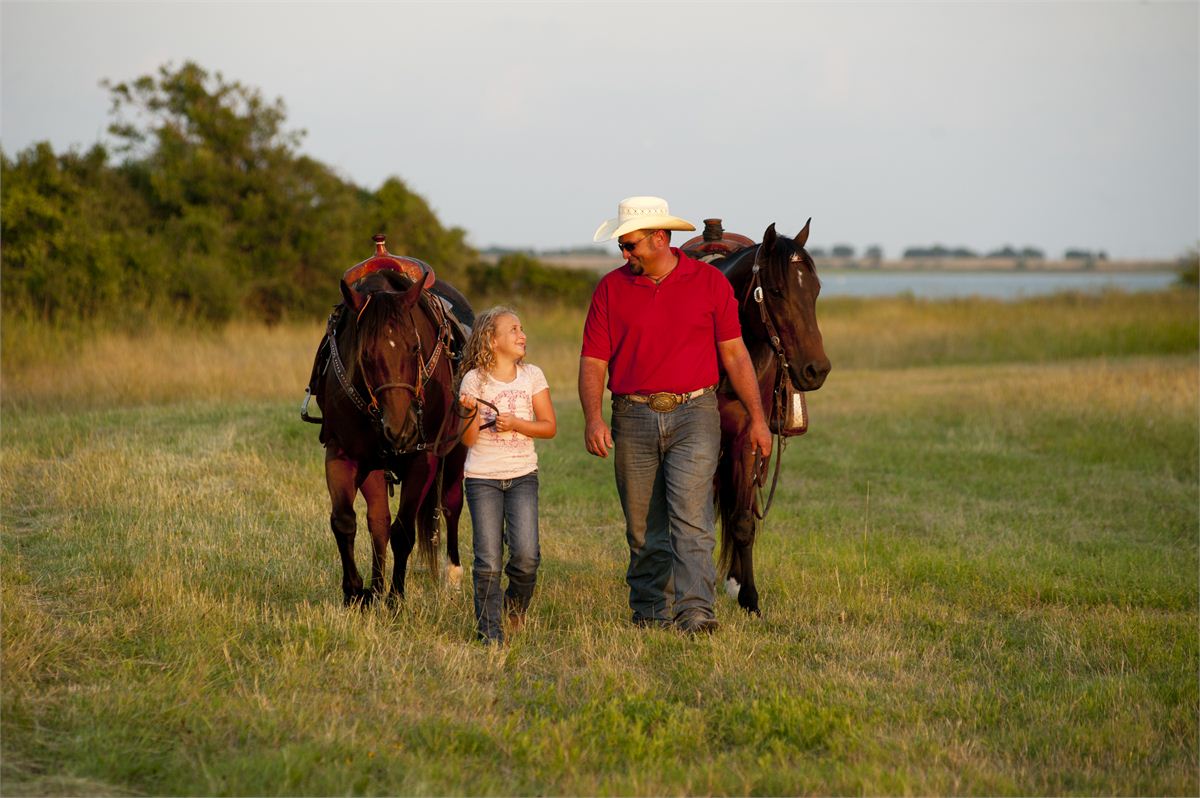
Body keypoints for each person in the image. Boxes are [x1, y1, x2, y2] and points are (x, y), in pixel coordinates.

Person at [579, 196, 772, 634]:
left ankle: (696, 613)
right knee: (644, 526)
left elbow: (736, 356)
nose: (624, 254)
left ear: (660, 238)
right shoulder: (610, 288)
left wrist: (758, 420)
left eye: (630, 245)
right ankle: (649, 613)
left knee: (692, 518)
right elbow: (593, 361)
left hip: (696, 414)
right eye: (622, 247)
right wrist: (593, 417)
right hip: (633, 415)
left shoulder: (708, 284)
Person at [458, 307, 557, 644]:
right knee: (487, 560)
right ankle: (490, 632)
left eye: (522, 327)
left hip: (522, 476)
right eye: (513, 329)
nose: (522, 335)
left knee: (527, 555)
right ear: (492, 339)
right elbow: (469, 441)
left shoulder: (532, 376)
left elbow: (549, 427)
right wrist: (470, 413)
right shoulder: (474, 380)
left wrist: (515, 424)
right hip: (482, 478)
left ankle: (514, 607)